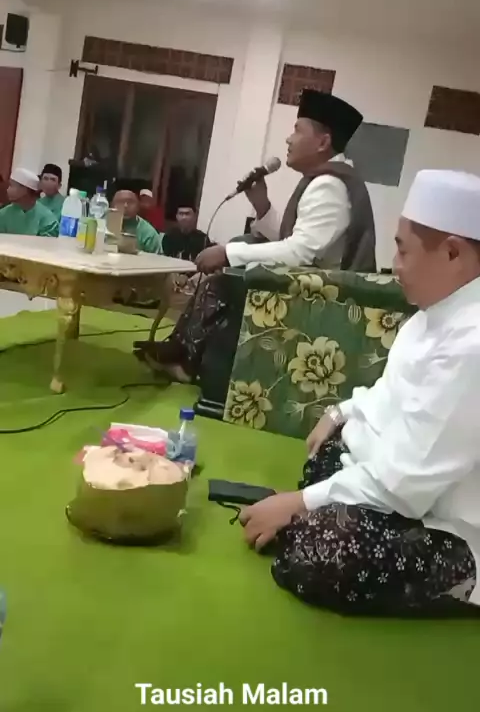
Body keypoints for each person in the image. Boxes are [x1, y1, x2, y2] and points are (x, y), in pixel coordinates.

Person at [241, 169, 480, 617]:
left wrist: (299, 502)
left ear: (452, 253)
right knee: (328, 447)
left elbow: (407, 485)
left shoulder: (473, 345)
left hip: (448, 526)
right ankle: (319, 509)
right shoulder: (435, 314)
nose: (396, 264)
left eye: (403, 250)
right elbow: (390, 393)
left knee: (325, 551)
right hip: (394, 484)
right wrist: (340, 411)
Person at [134, 90, 375, 382]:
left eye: (297, 130)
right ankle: (180, 352)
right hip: (313, 285)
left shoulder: (329, 186)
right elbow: (296, 242)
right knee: (239, 253)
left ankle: (186, 362)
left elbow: (300, 253)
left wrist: (227, 253)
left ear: (323, 142)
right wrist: (262, 205)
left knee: (225, 279)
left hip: (322, 299)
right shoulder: (329, 180)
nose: (288, 139)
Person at [0, 168, 59, 237]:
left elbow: (47, 243)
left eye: (11, 186)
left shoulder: (48, 221)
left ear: (25, 189)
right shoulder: (3, 214)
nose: (7, 190)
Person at [111, 189, 164, 254]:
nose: (125, 205)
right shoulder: (102, 224)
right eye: (120, 202)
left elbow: (157, 258)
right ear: (112, 205)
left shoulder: (148, 233)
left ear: (138, 206)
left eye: (130, 202)